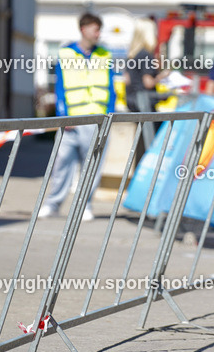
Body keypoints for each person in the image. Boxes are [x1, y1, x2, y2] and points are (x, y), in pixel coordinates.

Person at [39, 13, 115, 222]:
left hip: (97, 119)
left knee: (92, 166)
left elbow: (111, 87)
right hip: (72, 119)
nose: (98, 33)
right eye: (95, 29)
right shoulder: (66, 54)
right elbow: (60, 87)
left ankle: (85, 206)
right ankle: (53, 204)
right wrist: (63, 117)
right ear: (83, 29)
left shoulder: (104, 56)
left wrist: (109, 115)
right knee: (61, 163)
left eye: (99, 29)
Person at [124, 18, 165, 114]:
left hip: (132, 102)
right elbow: (148, 83)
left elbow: (127, 79)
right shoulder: (146, 55)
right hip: (145, 103)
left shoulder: (132, 55)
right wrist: (162, 76)